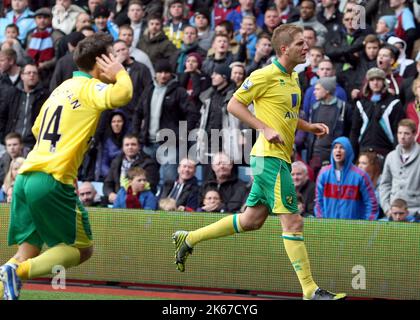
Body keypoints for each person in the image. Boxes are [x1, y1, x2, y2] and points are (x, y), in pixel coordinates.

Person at [172, 24, 346, 300]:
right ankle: (310, 290)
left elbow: (286, 115)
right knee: (293, 222)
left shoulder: (293, 78)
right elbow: (234, 104)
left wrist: (308, 126)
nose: (306, 48)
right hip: (268, 158)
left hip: (278, 159)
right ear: (285, 48)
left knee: (251, 220)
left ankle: (190, 238)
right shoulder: (263, 75)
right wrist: (263, 128)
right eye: (300, 43)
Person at [0, 32, 133, 300]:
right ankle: (17, 272)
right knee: (83, 249)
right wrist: (120, 72)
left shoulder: (61, 88)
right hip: (52, 179)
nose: (117, 61)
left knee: (28, 251)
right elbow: (124, 95)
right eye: (113, 56)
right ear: (102, 61)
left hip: (26, 176)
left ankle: (11, 273)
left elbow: (38, 129)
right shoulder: (90, 87)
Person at [315, 136, 379, 220]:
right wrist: (322, 221)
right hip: (329, 228)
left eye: (342, 147)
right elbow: (318, 202)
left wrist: (366, 226)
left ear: (348, 151)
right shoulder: (323, 174)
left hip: (354, 229)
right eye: (335, 147)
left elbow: (371, 203)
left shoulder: (360, 176)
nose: (338, 150)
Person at [379, 119, 420, 217]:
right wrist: (386, 208)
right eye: (400, 133)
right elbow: (384, 184)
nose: (402, 137)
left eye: (406, 133)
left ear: (414, 135)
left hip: (415, 212)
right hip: (394, 213)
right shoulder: (391, 156)